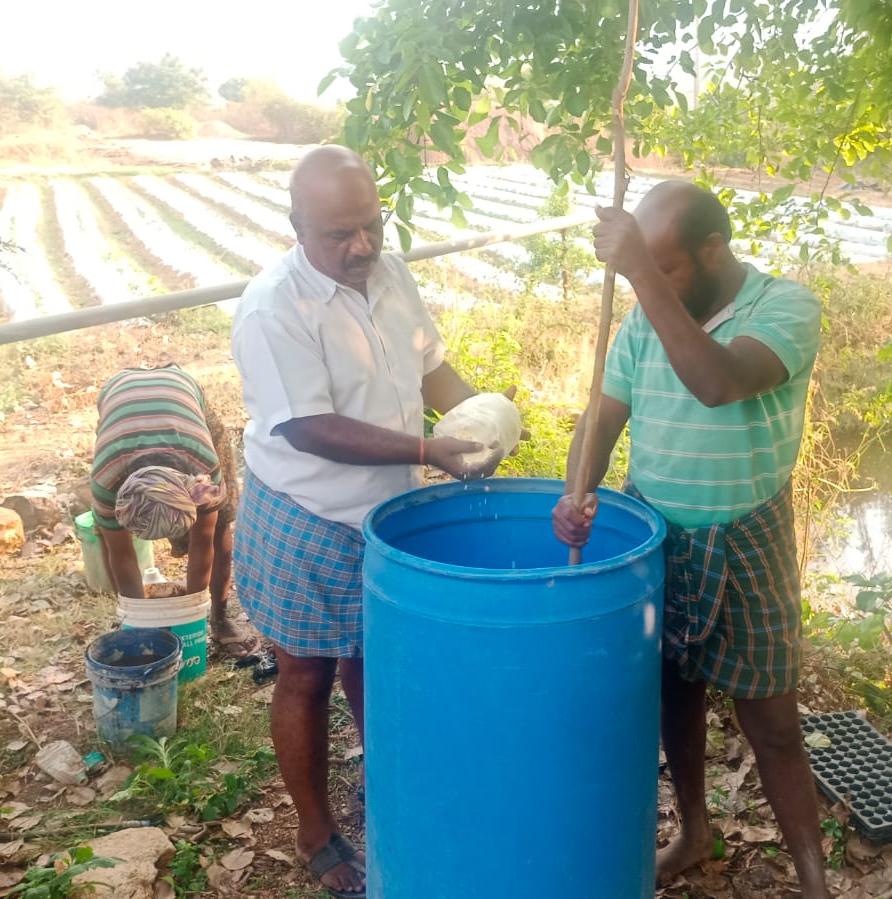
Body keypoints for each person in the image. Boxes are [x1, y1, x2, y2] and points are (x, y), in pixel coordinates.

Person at [231, 144, 503, 899]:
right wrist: (428, 450)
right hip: (308, 512)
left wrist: (480, 420)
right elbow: (308, 427)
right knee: (306, 671)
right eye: (337, 234)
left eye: (370, 227)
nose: (359, 247)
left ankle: (392, 787)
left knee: (375, 660)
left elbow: (430, 368)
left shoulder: (389, 274)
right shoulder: (273, 308)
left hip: (388, 514)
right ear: (296, 227)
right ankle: (315, 829)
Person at [552, 181, 830, 898]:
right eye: (647, 271)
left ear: (714, 249)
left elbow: (718, 382)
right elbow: (602, 417)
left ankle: (814, 882)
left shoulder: (785, 307)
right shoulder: (642, 320)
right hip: (656, 533)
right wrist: (576, 487)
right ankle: (695, 829)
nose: (654, 282)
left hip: (746, 534)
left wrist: (640, 274)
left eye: (667, 267)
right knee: (674, 694)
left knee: (771, 720)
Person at [90, 364, 258, 656]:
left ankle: (220, 620)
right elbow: (122, 555)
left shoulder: (203, 469)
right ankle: (130, 621)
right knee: (107, 537)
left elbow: (204, 543)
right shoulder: (106, 480)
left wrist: (191, 614)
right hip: (117, 396)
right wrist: (139, 625)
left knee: (220, 524)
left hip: (181, 389)